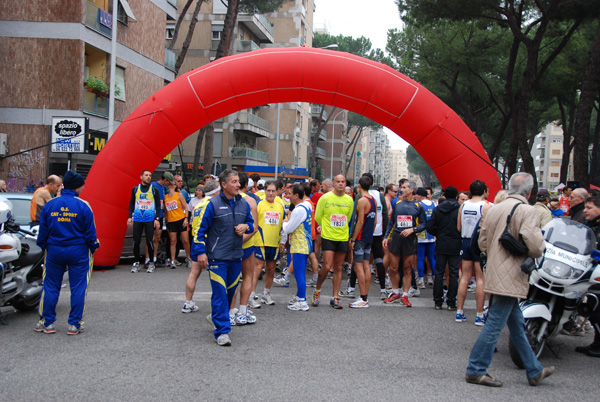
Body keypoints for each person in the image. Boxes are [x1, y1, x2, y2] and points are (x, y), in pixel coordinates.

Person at [466, 172, 554, 387]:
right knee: (495, 324)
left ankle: (534, 369)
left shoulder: (495, 209)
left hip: (496, 270)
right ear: (530, 191)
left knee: (517, 324)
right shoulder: (528, 211)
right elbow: (535, 247)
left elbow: (482, 243)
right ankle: (475, 369)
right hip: (513, 273)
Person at [34, 171, 99, 335]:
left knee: (50, 286)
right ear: (77, 187)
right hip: (78, 250)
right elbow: (91, 233)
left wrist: (44, 246)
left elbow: (43, 232)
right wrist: (93, 247)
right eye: (81, 186)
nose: (83, 188)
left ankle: (46, 323)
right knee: (78, 287)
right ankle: (74, 324)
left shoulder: (51, 204)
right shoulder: (84, 205)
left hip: (54, 249)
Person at [194, 169, 254, 346]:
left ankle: (217, 317)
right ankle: (222, 331)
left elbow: (251, 224)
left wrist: (245, 226)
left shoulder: (243, 204)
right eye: (234, 181)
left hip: (236, 256)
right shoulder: (212, 204)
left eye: (238, 182)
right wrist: (201, 252)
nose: (238, 185)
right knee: (220, 293)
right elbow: (200, 231)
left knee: (229, 293)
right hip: (217, 257)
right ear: (224, 184)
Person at [312, 175, 354, 309]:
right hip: (328, 235)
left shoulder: (349, 200)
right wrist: (323, 226)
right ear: (334, 183)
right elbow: (318, 216)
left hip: (342, 236)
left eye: (343, 182)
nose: (341, 184)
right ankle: (317, 290)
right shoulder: (325, 198)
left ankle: (335, 297)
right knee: (327, 265)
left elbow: (347, 218)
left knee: (338, 267)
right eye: (338, 182)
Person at [383, 180, 426, 307]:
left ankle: (405, 295)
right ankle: (395, 292)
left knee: (407, 268)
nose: (401, 189)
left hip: (410, 239)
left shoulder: (419, 206)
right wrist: (386, 237)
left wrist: (413, 229)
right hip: (396, 237)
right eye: (401, 187)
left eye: (404, 187)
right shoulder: (397, 204)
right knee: (394, 267)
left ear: (411, 190)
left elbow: (424, 224)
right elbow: (391, 222)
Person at [456, 180, 491, 326]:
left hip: (465, 240)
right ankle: (479, 315)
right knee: (480, 279)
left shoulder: (463, 205)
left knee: (464, 277)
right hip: (479, 243)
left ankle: (459, 312)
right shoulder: (486, 206)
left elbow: (459, 227)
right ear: (484, 191)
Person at [183, 180, 220, 314]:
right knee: (217, 275)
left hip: (196, 241)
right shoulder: (213, 204)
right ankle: (219, 308)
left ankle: (188, 302)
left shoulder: (198, 205)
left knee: (194, 273)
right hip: (210, 241)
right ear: (216, 191)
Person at [427, 186, 462, 310]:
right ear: (456, 196)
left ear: (444, 195)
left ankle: (438, 301)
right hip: (456, 243)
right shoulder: (459, 209)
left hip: (441, 242)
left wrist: (438, 233)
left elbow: (430, 226)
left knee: (439, 272)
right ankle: (451, 301)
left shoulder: (438, 209)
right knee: (453, 273)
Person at [281, 183, 313, 311]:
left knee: (299, 274)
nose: (288, 195)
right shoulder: (307, 205)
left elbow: (289, 228)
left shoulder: (299, 209)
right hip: (304, 243)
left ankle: (302, 301)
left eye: (290, 193)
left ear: (297, 195)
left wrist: (284, 223)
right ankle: (300, 296)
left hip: (300, 244)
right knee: (300, 273)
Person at [575, 196, 600, 357]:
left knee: (597, 310)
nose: (585, 210)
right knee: (593, 309)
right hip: (591, 273)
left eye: (589, 207)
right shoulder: (589, 225)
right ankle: (597, 343)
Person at [253, 181, 285, 306]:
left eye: (273, 191)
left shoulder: (279, 206)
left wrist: (282, 241)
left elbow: (283, 225)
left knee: (271, 269)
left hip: (274, 243)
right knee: (258, 268)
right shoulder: (259, 204)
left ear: (277, 192)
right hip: (261, 242)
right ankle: (251, 295)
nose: (271, 193)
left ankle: (266, 294)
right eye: (268, 190)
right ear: (265, 191)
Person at [348, 175, 377, 308]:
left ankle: (363, 298)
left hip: (360, 237)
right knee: (366, 266)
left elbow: (359, 222)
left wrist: (353, 238)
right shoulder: (374, 200)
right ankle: (365, 297)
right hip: (369, 236)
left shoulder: (362, 201)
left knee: (358, 266)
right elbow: (375, 220)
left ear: (359, 186)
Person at [128, 170, 161, 273]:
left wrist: (157, 218)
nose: (148, 177)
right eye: (146, 175)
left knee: (149, 241)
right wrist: (130, 216)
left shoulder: (154, 190)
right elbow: (131, 203)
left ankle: (151, 263)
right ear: (141, 176)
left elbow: (158, 205)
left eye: (150, 176)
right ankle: (137, 262)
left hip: (149, 219)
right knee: (136, 241)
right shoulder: (135, 189)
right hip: (138, 218)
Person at [164, 175, 191, 269]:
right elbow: (165, 210)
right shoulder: (166, 197)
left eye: (172, 184)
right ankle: (172, 260)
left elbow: (186, 207)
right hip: (171, 221)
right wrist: (166, 220)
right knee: (173, 241)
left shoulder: (179, 195)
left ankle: (188, 258)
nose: (170, 185)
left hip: (181, 219)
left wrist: (186, 218)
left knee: (185, 240)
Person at [416, 187, 436, 288]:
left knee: (420, 258)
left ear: (420, 195)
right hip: (432, 235)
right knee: (432, 258)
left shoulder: (419, 205)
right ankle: (436, 277)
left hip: (420, 235)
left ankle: (421, 280)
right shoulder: (434, 205)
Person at [148, 172, 169, 266]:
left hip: (160, 216)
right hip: (151, 215)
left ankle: (155, 258)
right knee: (150, 238)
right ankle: (147, 259)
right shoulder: (152, 186)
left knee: (157, 238)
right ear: (165, 180)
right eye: (169, 182)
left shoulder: (164, 188)